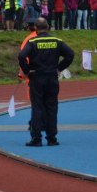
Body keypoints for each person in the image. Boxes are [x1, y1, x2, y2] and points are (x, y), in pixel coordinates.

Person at [18, 18, 74, 146]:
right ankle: (52, 138)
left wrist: (27, 71)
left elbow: (21, 56)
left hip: (37, 77)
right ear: (48, 27)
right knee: (52, 107)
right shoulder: (57, 41)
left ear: (36, 28)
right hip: (52, 78)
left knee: (37, 107)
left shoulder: (32, 42)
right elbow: (70, 54)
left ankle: (36, 138)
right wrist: (59, 68)